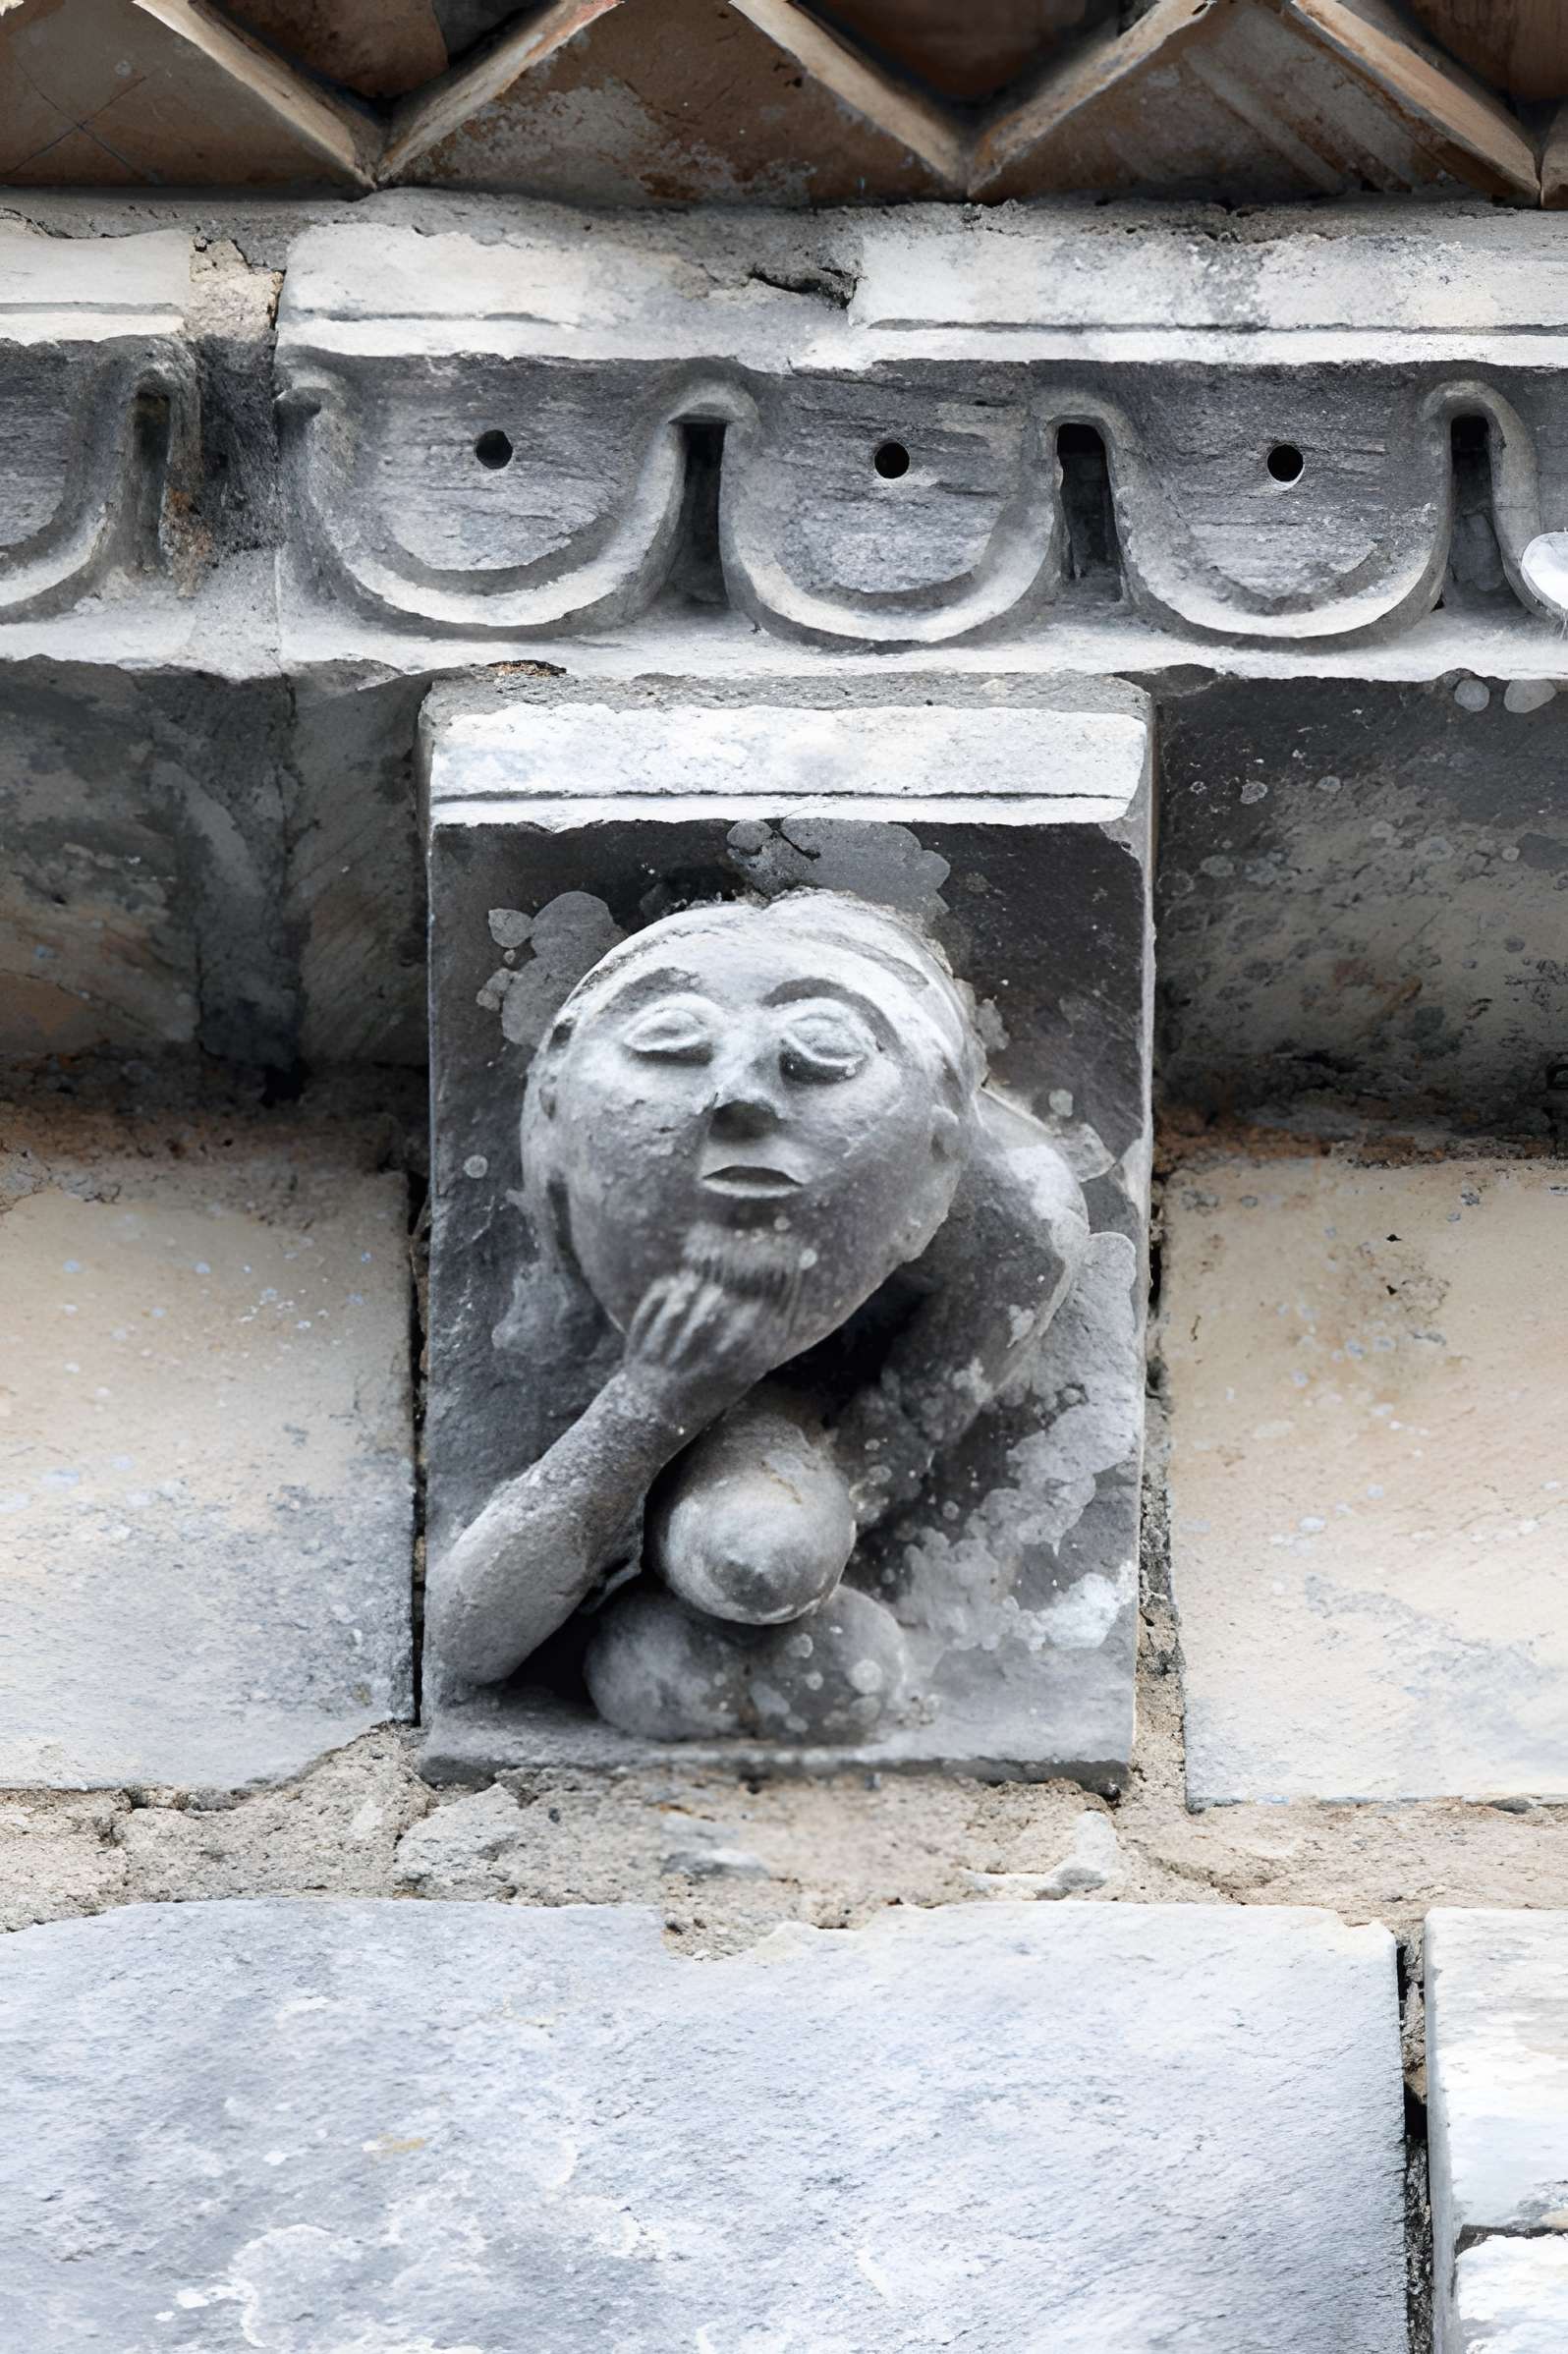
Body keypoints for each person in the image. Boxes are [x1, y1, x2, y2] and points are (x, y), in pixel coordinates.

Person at [426, 891, 1088, 1742]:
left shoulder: (1013, 1227)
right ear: (553, 1105)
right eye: (670, 1038)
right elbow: (471, 1636)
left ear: (940, 1148)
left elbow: (899, 1432)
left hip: (799, 1446)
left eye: (823, 1049)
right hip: (670, 1421)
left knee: (763, 1555)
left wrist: (809, 1494)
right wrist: (651, 1403)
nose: (738, 1092)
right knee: (748, 1563)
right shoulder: (540, 1293)